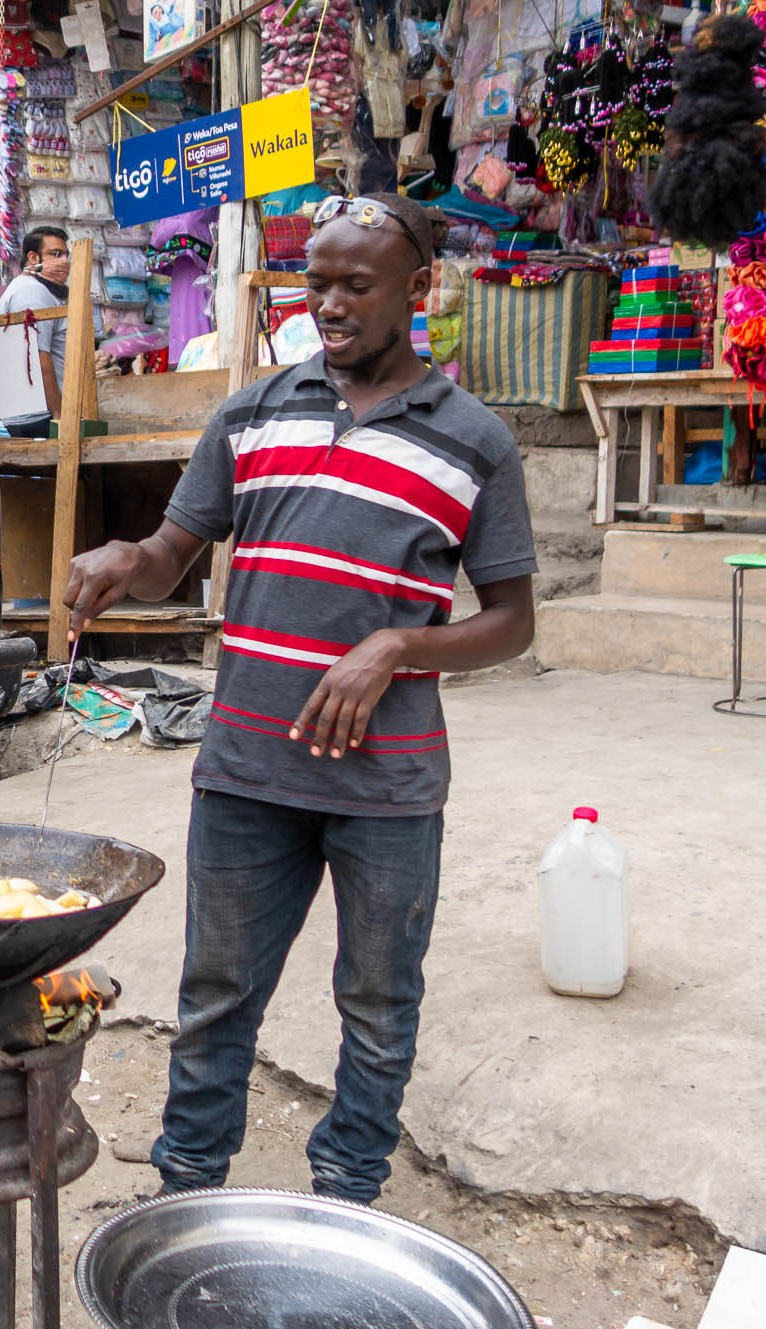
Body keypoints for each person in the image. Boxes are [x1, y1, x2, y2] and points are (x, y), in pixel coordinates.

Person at [63, 192, 537, 1204]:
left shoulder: (472, 441)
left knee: (374, 1003)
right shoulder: (251, 412)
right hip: (244, 765)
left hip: (389, 785)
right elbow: (164, 558)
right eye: (312, 281)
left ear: (417, 289)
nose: (326, 303)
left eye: (352, 285)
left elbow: (511, 620)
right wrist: (121, 558)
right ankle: (184, 1185)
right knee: (216, 990)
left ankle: (346, 1195)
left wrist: (399, 646)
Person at [0, 227, 76, 425]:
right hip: (41, 416)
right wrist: (59, 415)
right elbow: (39, 357)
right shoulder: (33, 292)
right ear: (33, 258)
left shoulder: (26, 288)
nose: (64, 261)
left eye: (66, 255)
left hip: (32, 413)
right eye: (55, 254)